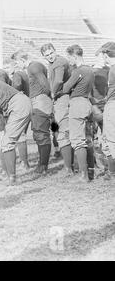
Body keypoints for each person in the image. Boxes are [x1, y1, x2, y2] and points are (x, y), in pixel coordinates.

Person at [12, 50, 52, 175]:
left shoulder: (33, 66)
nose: (18, 65)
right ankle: (42, 164)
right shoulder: (33, 67)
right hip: (38, 100)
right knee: (39, 133)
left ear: (22, 60)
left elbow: (46, 86)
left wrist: (43, 100)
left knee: (42, 134)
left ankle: (43, 166)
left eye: (17, 62)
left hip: (39, 101)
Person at [62, 45, 95, 182]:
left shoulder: (78, 70)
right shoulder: (90, 70)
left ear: (74, 56)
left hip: (77, 103)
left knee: (77, 140)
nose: (69, 60)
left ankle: (84, 175)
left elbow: (65, 88)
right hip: (87, 103)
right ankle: (90, 171)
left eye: (69, 57)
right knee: (87, 138)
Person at [41, 43, 73, 175]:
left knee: (62, 132)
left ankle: (69, 168)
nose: (50, 56)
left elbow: (59, 81)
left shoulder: (59, 62)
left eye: (51, 53)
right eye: (47, 55)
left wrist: (53, 94)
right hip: (61, 99)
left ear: (55, 51)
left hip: (62, 98)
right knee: (57, 128)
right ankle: (64, 158)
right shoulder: (54, 63)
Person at [95, 42, 115, 181]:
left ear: (106, 55)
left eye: (103, 56)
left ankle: (113, 173)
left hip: (112, 106)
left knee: (109, 141)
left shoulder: (113, 69)